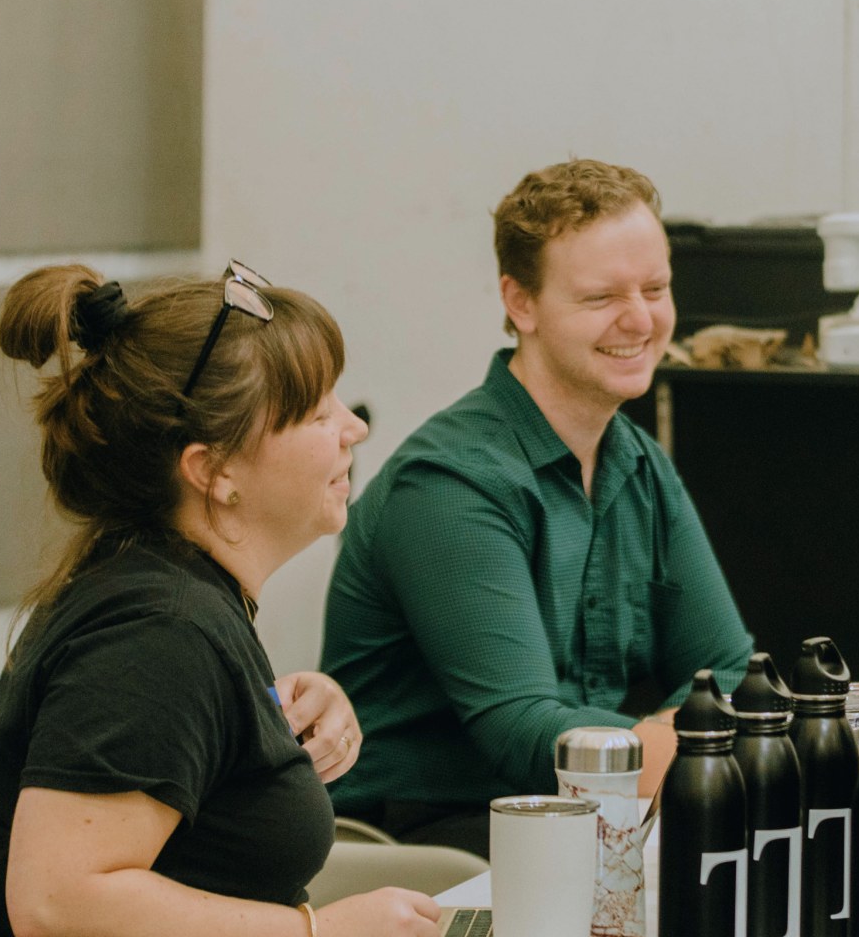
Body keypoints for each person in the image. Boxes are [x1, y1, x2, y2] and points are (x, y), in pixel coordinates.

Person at [0, 263, 588, 937]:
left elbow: (168, 760)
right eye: (316, 413)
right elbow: (58, 900)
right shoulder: (161, 631)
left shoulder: (176, 601)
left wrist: (272, 717)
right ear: (214, 471)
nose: (355, 430)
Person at [323, 159, 753, 852]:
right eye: (601, 297)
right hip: (424, 838)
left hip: (574, 817)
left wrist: (699, 737)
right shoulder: (448, 484)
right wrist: (701, 747)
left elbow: (729, 672)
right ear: (520, 303)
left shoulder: (637, 462)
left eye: (656, 287)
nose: (640, 318)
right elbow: (522, 729)